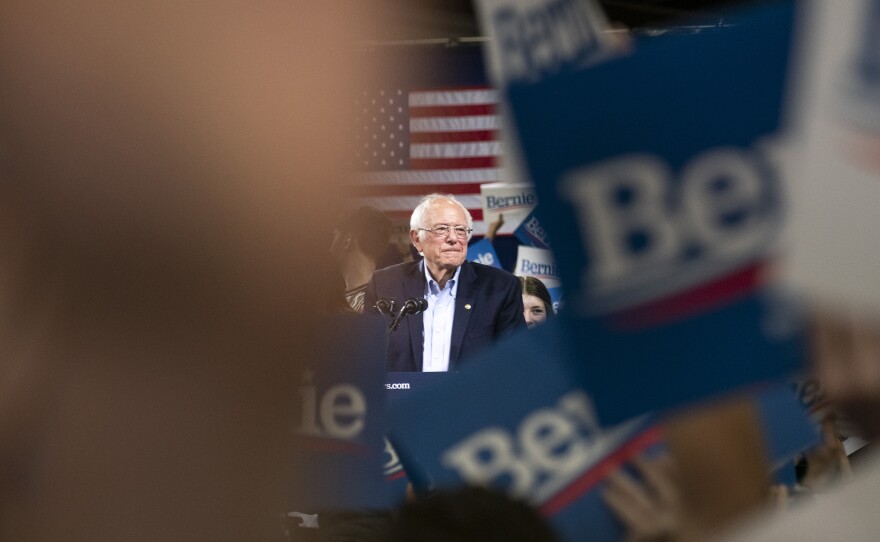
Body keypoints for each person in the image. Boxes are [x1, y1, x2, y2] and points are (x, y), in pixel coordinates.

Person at [363, 194, 525, 372]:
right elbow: (368, 358)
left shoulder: (501, 288)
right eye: (442, 229)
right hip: (405, 399)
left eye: (461, 230)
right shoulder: (384, 285)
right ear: (417, 239)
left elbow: (515, 362)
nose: (453, 238)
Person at [330, 206, 392, 313]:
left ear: (347, 241)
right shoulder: (389, 300)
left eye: (334, 236)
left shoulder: (373, 304)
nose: (330, 247)